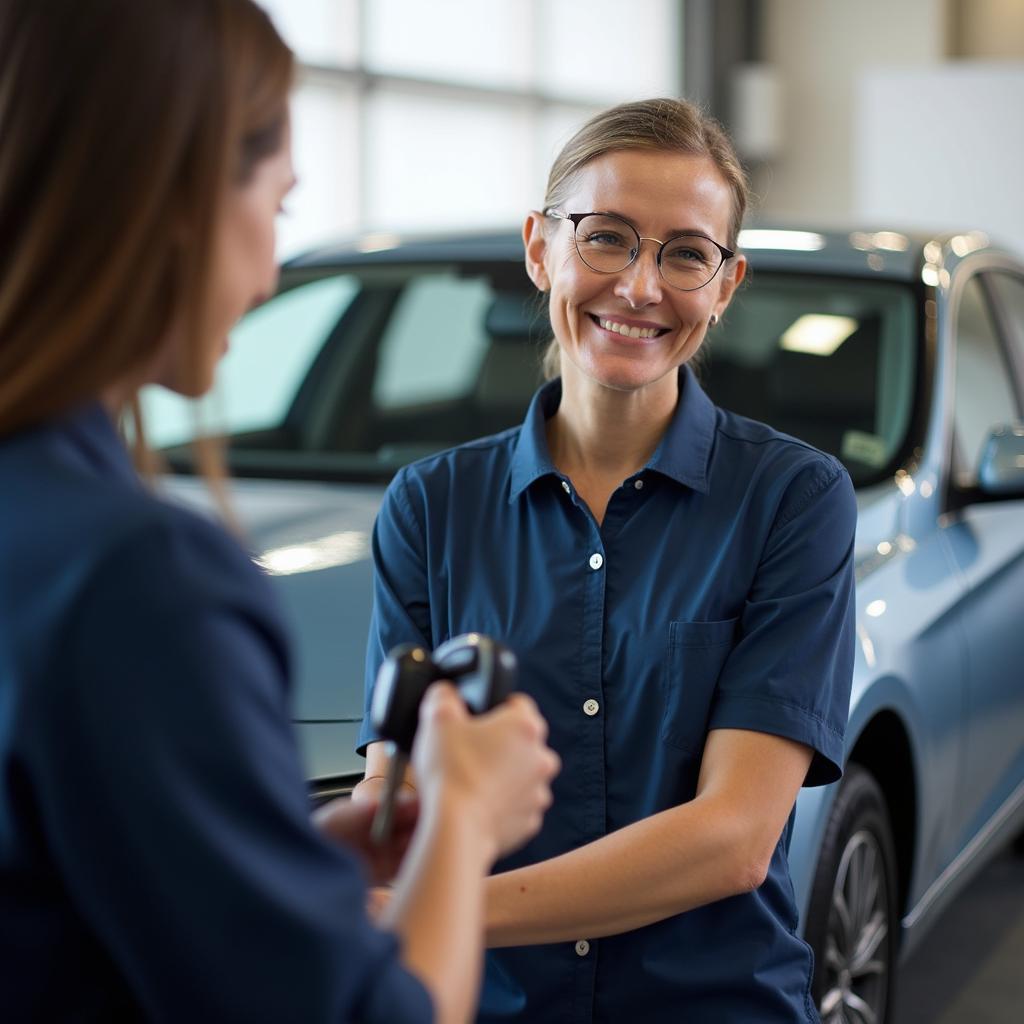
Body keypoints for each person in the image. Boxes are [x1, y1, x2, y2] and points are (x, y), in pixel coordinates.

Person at [0, 2, 560, 1022]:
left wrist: (282, 866)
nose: (266, 272)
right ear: (172, 198)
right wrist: (466, 822)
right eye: (278, 205)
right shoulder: (141, 579)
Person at [355, 97, 857, 1023]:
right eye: (607, 238)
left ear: (726, 283)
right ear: (541, 248)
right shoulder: (429, 507)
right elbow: (402, 781)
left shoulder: (794, 500)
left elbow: (735, 838)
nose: (638, 288)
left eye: (685, 253)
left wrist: (426, 909)